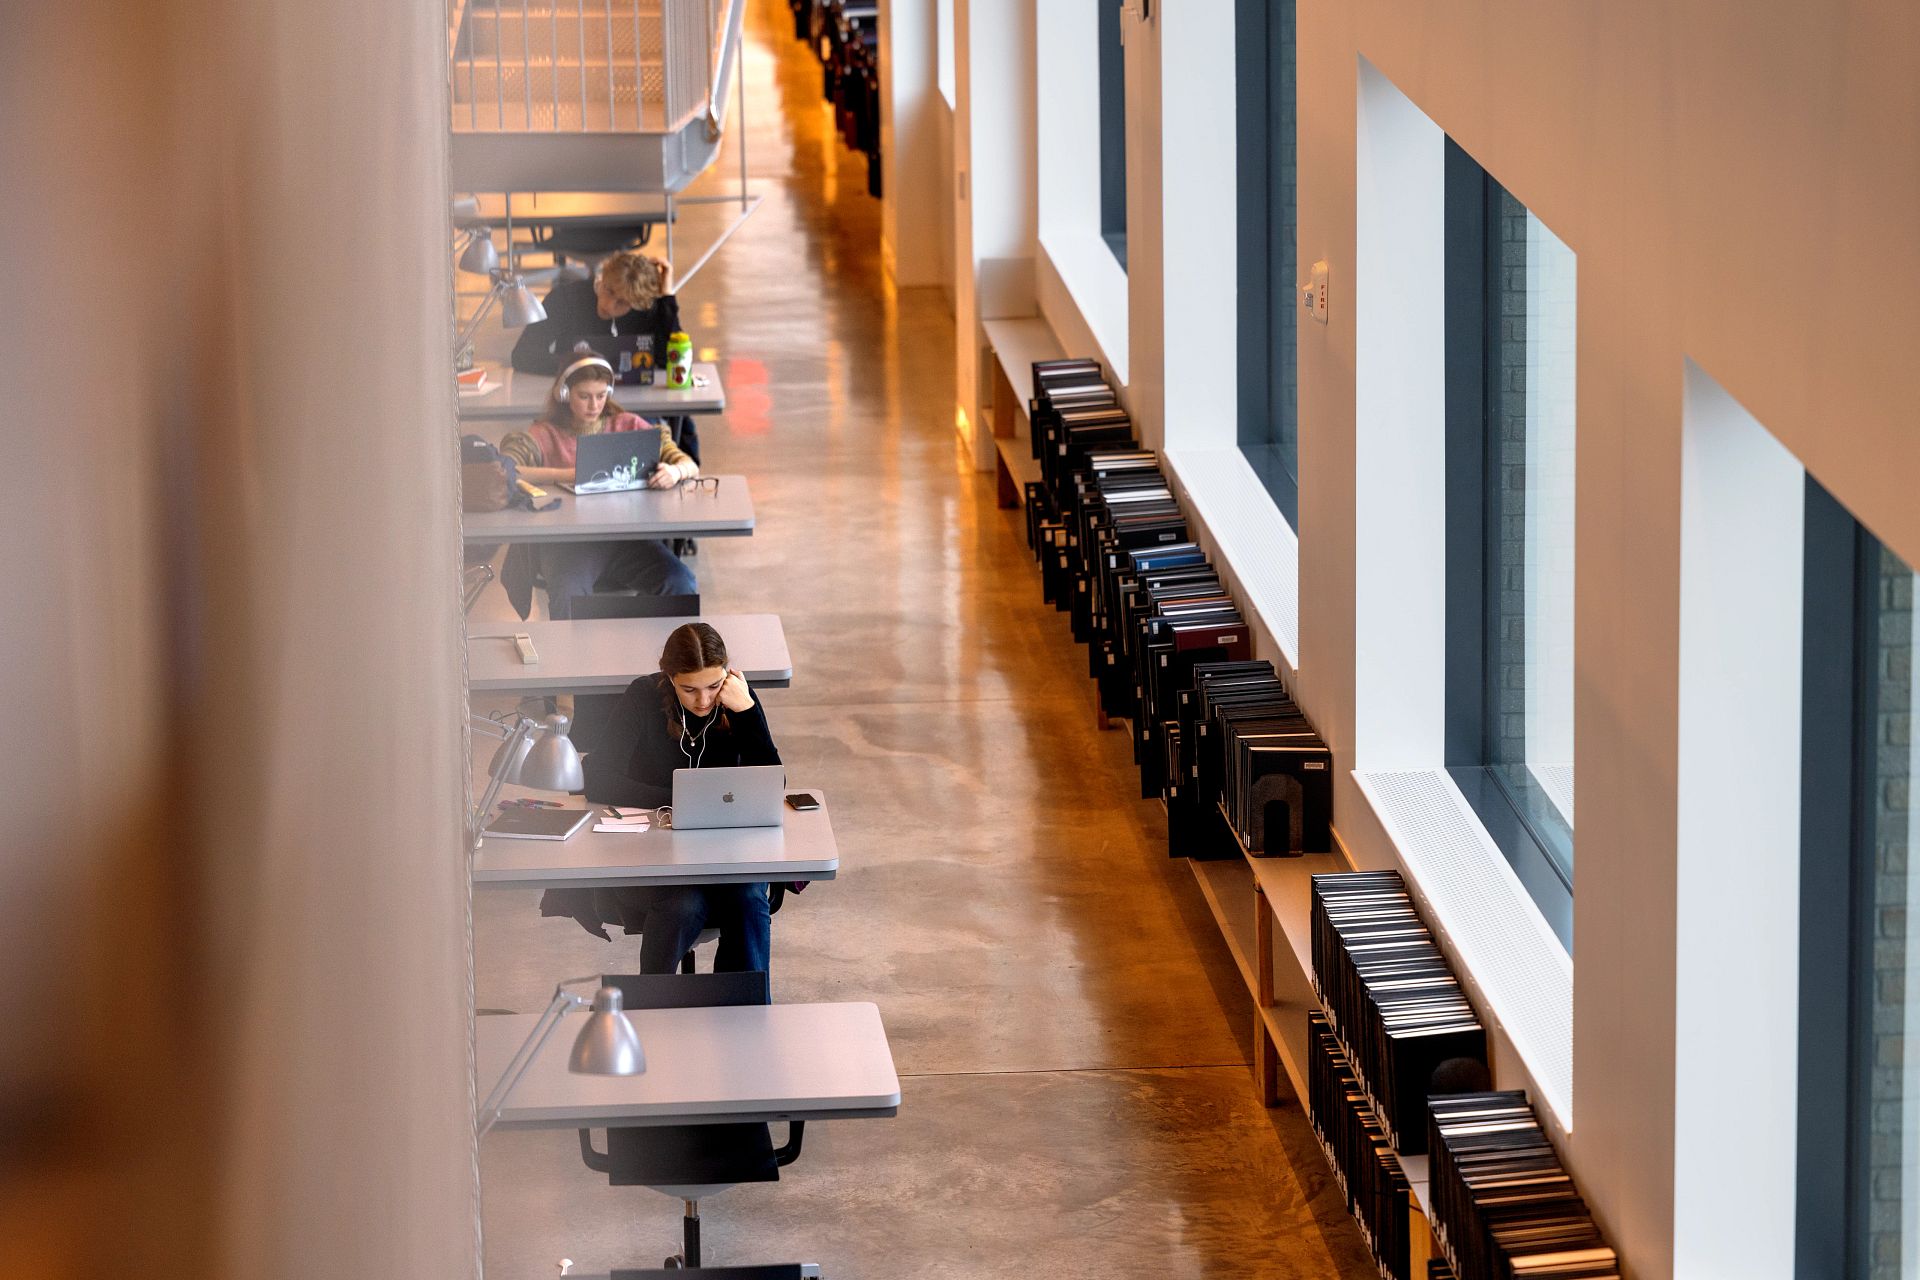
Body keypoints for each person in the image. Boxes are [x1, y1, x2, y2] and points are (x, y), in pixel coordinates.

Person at [540, 623, 781, 975]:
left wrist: (746, 712)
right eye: (689, 689)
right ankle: (654, 1001)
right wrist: (678, 800)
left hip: (727, 853)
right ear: (669, 678)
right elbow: (597, 777)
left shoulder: (738, 698)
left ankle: (744, 1003)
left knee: (746, 900)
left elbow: (773, 785)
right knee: (683, 905)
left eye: (713, 686)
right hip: (652, 854)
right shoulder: (644, 695)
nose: (703, 700)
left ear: (726, 674)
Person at [496, 353, 697, 619]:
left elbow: (688, 464)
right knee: (568, 593)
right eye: (584, 396)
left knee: (681, 582)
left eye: (601, 396)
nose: (594, 405)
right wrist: (571, 474)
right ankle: (570, 648)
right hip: (570, 545)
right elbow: (506, 470)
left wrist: (675, 471)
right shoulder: (544, 434)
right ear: (564, 394)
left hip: (628, 539)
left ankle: (665, 644)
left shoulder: (628, 425)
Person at [510, 249, 699, 464]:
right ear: (603, 276)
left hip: (636, 406)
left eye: (622, 303)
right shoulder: (566, 299)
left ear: (638, 304)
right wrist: (579, 368)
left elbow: (671, 359)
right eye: (608, 290)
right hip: (576, 405)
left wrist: (666, 297)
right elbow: (524, 355)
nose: (609, 305)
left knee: (653, 442)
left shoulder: (647, 308)